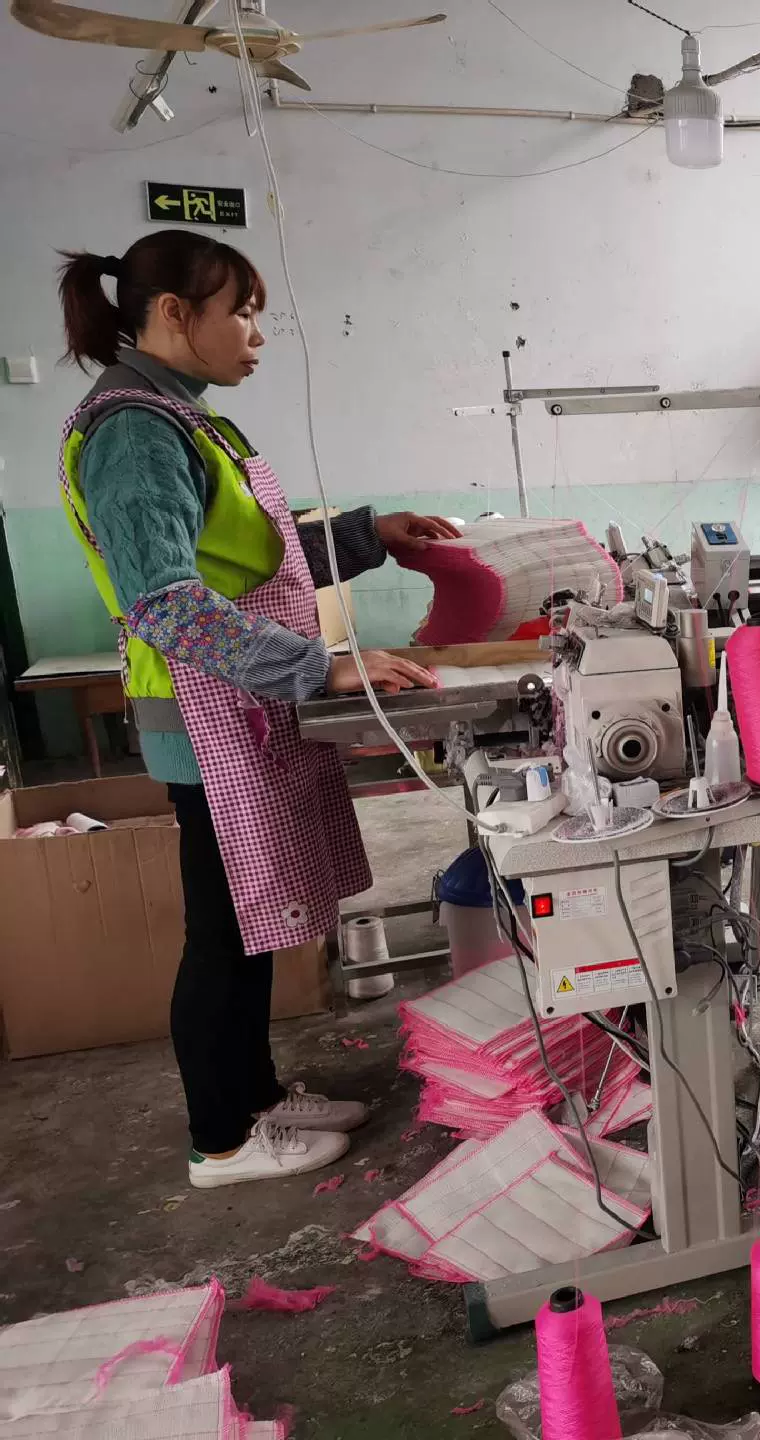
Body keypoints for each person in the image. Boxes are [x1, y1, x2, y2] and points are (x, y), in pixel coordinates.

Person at [55, 228, 456, 1189]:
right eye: (240, 313)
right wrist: (321, 667)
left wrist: (370, 534)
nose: (257, 335)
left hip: (242, 701)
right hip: (204, 713)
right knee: (222, 933)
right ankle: (222, 1138)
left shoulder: (188, 419)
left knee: (245, 919)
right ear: (173, 313)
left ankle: (255, 1096)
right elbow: (165, 603)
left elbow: (254, 564)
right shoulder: (134, 433)